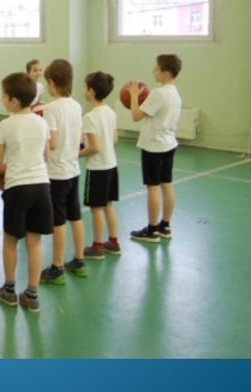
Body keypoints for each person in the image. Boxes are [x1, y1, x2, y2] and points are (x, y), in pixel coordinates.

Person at [0, 73, 53, 313]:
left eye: (4, 96)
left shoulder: (4, 125)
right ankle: (32, 294)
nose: (2, 99)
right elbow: (46, 156)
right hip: (42, 185)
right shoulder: (42, 122)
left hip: (17, 187)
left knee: (10, 241)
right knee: (34, 243)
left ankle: (9, 291)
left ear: (14, 101)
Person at [40, 60, 87, 283]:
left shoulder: (51, 108)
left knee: (58, 221)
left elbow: (53, 142)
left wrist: (41, 140)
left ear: (51, 83)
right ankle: (79, 260)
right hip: (73, 169)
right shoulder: (76, 106)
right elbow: (79, 138)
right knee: (75, 215)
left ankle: (57, 267)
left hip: (57, 172)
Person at [129, 54, 183, 243]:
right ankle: (165, 226)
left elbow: (136, 116)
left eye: (156, 69)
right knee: (166, 184)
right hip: (169, 143)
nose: (153, 71)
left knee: (152, 187)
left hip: (153, 146)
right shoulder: (175, 93)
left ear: (165, 74)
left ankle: (152, 230)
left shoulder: (158, 93)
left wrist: (134, 96)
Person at [78, 71, 121, 260]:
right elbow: (114, 139)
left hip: (97, 169)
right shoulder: (110, 112)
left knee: (96, 208)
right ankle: (113, 242)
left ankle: (97, 247)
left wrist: (75, 155)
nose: (82, 90)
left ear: (91, 92)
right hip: (111, 165)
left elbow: (94, 147)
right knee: (108, 205)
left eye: (84, 87)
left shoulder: (89, 117)